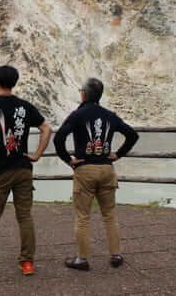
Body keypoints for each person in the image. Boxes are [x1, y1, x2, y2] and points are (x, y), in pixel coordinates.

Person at [0, 65, 52, 279]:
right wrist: (36, 154)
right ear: (14, 83)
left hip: (0, 170)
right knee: (24, 216)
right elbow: (46, 128)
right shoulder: (24, 106)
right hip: (23, 168)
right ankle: (27, 263)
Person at [53, 77, 138, 271]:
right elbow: (132, 135)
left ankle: (82, 259)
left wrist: (69, 160)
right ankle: (116, 255)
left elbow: (59, 139)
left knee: (83, 216)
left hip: (85, 169)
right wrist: (118, 154)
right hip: (107, 169)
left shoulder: (77, 115)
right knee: (109, 214)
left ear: (83, 94)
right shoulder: (110, 115)